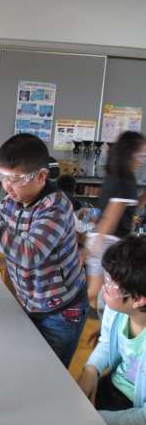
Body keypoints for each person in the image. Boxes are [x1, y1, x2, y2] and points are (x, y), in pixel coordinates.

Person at [0, 134, 88, 368]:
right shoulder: (9, 202)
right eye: (3, 177)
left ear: (41, 176)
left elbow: (30, 254)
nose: (7, 186)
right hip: (29, 301)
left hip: (61, 310)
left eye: (15, 179)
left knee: (50, 372)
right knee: (27, 364)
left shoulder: (56, 207)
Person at [76, 235, 146, 425]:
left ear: (139, 299)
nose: (103, 286)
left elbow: (143, 420)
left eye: (111, 283)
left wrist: (96, 419)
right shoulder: (119, 308)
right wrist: (90, 370)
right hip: (112, 399)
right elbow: (106, 343)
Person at [86, 131, 146, 310]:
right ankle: (77, 318)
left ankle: (87, 318)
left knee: (97, 293)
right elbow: (110, 218)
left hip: (103, 238)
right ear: (129, 153)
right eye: (141, 154)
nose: (142, 159)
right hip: (108, 241)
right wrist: (94, 247)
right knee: (96, 292)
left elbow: (131, 207)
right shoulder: (124, 181)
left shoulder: (119, 176)